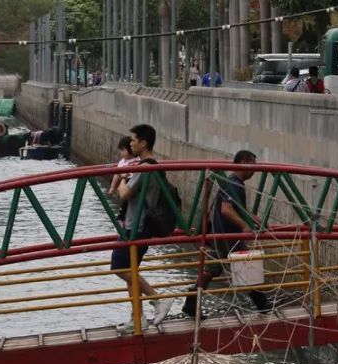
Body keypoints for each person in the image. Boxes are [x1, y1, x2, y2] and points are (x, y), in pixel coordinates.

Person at [181, 150, 269, 319]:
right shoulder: (234, 183)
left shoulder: (231, 182)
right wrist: (244, 226)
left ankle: (190, 303)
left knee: (212, 269)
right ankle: (262, 303)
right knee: (244, 266)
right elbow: (226, 210)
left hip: (219, 234)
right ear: (243, 163)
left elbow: (238, 209)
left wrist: (256, 221)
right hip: (228, 235)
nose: (255, 170)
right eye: (253, 165)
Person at [112, 124, 174, 325]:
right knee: (131, 272)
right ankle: (137, 318)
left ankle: (158, 300)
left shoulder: (145, 167)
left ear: (143, 143)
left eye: (134, 140)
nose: (131, 143)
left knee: (119, 268)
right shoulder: (151, 165)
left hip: (135, 227)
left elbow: (125, 193)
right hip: (139, 225)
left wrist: (121, 179)